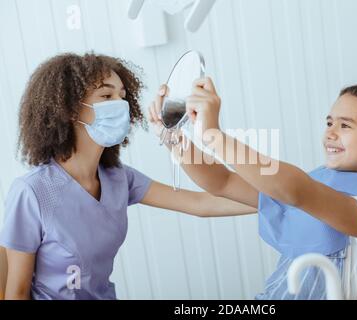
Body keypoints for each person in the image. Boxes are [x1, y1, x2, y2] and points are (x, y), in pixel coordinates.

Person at [0, 53, 256, 300]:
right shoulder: (32, 192)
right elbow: (17, 293)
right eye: (106, 95)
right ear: (70, 109)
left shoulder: (119, 179)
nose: (120, 105)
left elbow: (202, 204)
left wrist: (277, 198)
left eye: (123, 96)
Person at [149, 78, 357, 299]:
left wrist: (214, 135)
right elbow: (221, 182)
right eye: (329, 123)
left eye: (345, 125)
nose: (330, 133)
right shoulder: (317, 184)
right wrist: (171, 137)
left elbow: (297, 191)